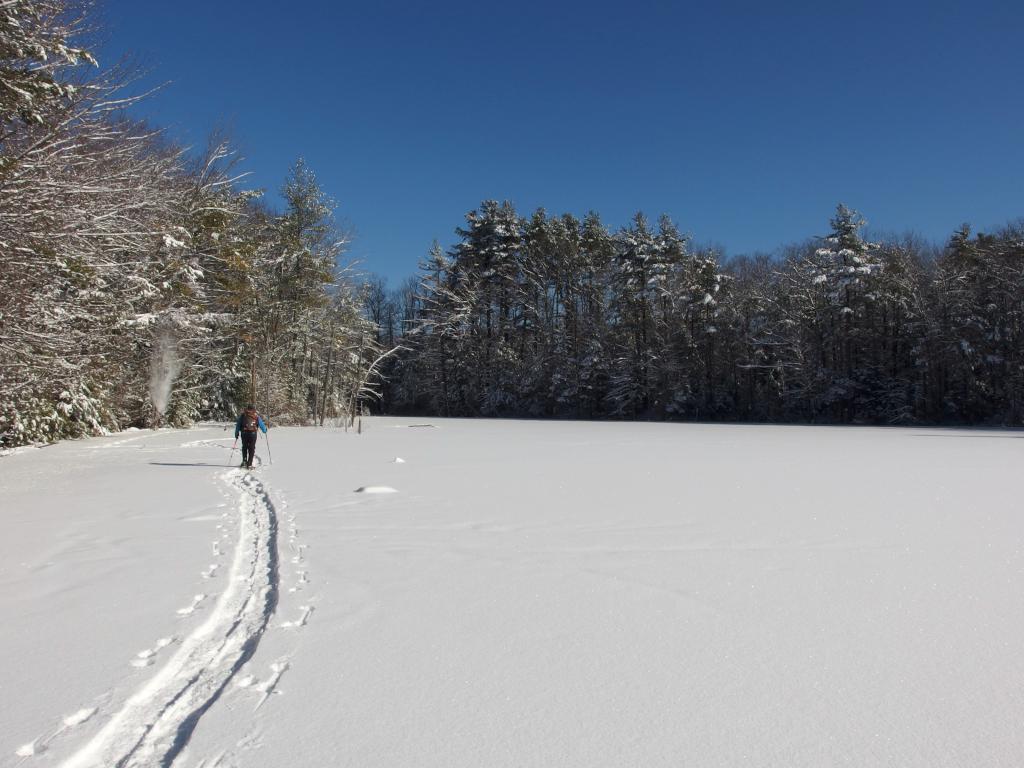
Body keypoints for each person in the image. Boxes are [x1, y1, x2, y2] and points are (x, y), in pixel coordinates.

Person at [234, 404, 267, 468]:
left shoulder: (243, 415)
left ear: (247, 408)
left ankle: (244, 461)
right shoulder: (256, 416)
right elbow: (261, 424)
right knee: (251, 448)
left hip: (244, 433)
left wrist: (236, 433)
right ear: (253, 409)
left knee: (244, 447)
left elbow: (238, 425)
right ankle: (249, 463)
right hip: (253, 434)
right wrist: (264, 430)